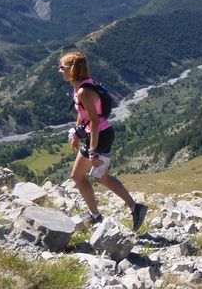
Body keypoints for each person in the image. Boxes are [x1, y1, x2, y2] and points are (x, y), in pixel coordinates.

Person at [60, 51, 148, 232]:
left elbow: (93, 121)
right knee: (99, 176)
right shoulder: (82, 85)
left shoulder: (83, 91)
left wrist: (92, 151)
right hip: (102, 134)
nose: (59, 71)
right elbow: (82, 112)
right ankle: (133, 208)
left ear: (73, 69)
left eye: (62, 67)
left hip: (99, 136)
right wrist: (76, 132)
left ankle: (97, 215)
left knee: (79, 176)